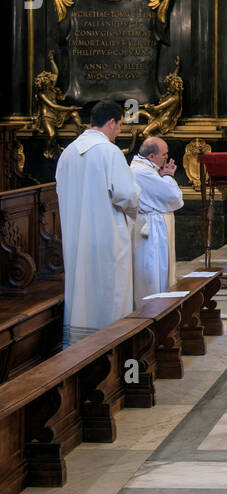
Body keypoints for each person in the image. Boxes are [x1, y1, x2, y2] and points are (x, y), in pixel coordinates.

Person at [55, 99, 140, 344]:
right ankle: (110, 345)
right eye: (121, 125)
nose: (120, 131)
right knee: (109, 292)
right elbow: (127, 194)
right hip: (107, 239)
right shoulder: (109, 152)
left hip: (75, 237)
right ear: (111, 122)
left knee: (81, 289)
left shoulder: (68, 152)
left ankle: (78, 346)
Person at [130, 136, 184, 304]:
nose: (166, 159)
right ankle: (155, 308)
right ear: (151, 156)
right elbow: (174, 197)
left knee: (154, 270)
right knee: (154, 271)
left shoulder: (144, 167)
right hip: (152, 230)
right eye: (164, 155)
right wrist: (168, 176)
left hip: (150, 225)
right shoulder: (143, 171)